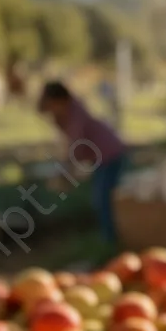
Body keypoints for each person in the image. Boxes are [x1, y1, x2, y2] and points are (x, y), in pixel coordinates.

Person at [37, 80, 128, 245]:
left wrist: (66, 169)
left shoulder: (76, 114)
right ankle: (109, 238)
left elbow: (75, 144)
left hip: (110, 154)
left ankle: (111, 241)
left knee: (103, 199)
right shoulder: (65, 114)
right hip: (102, 157)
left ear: (60, 100)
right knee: (100, 198)